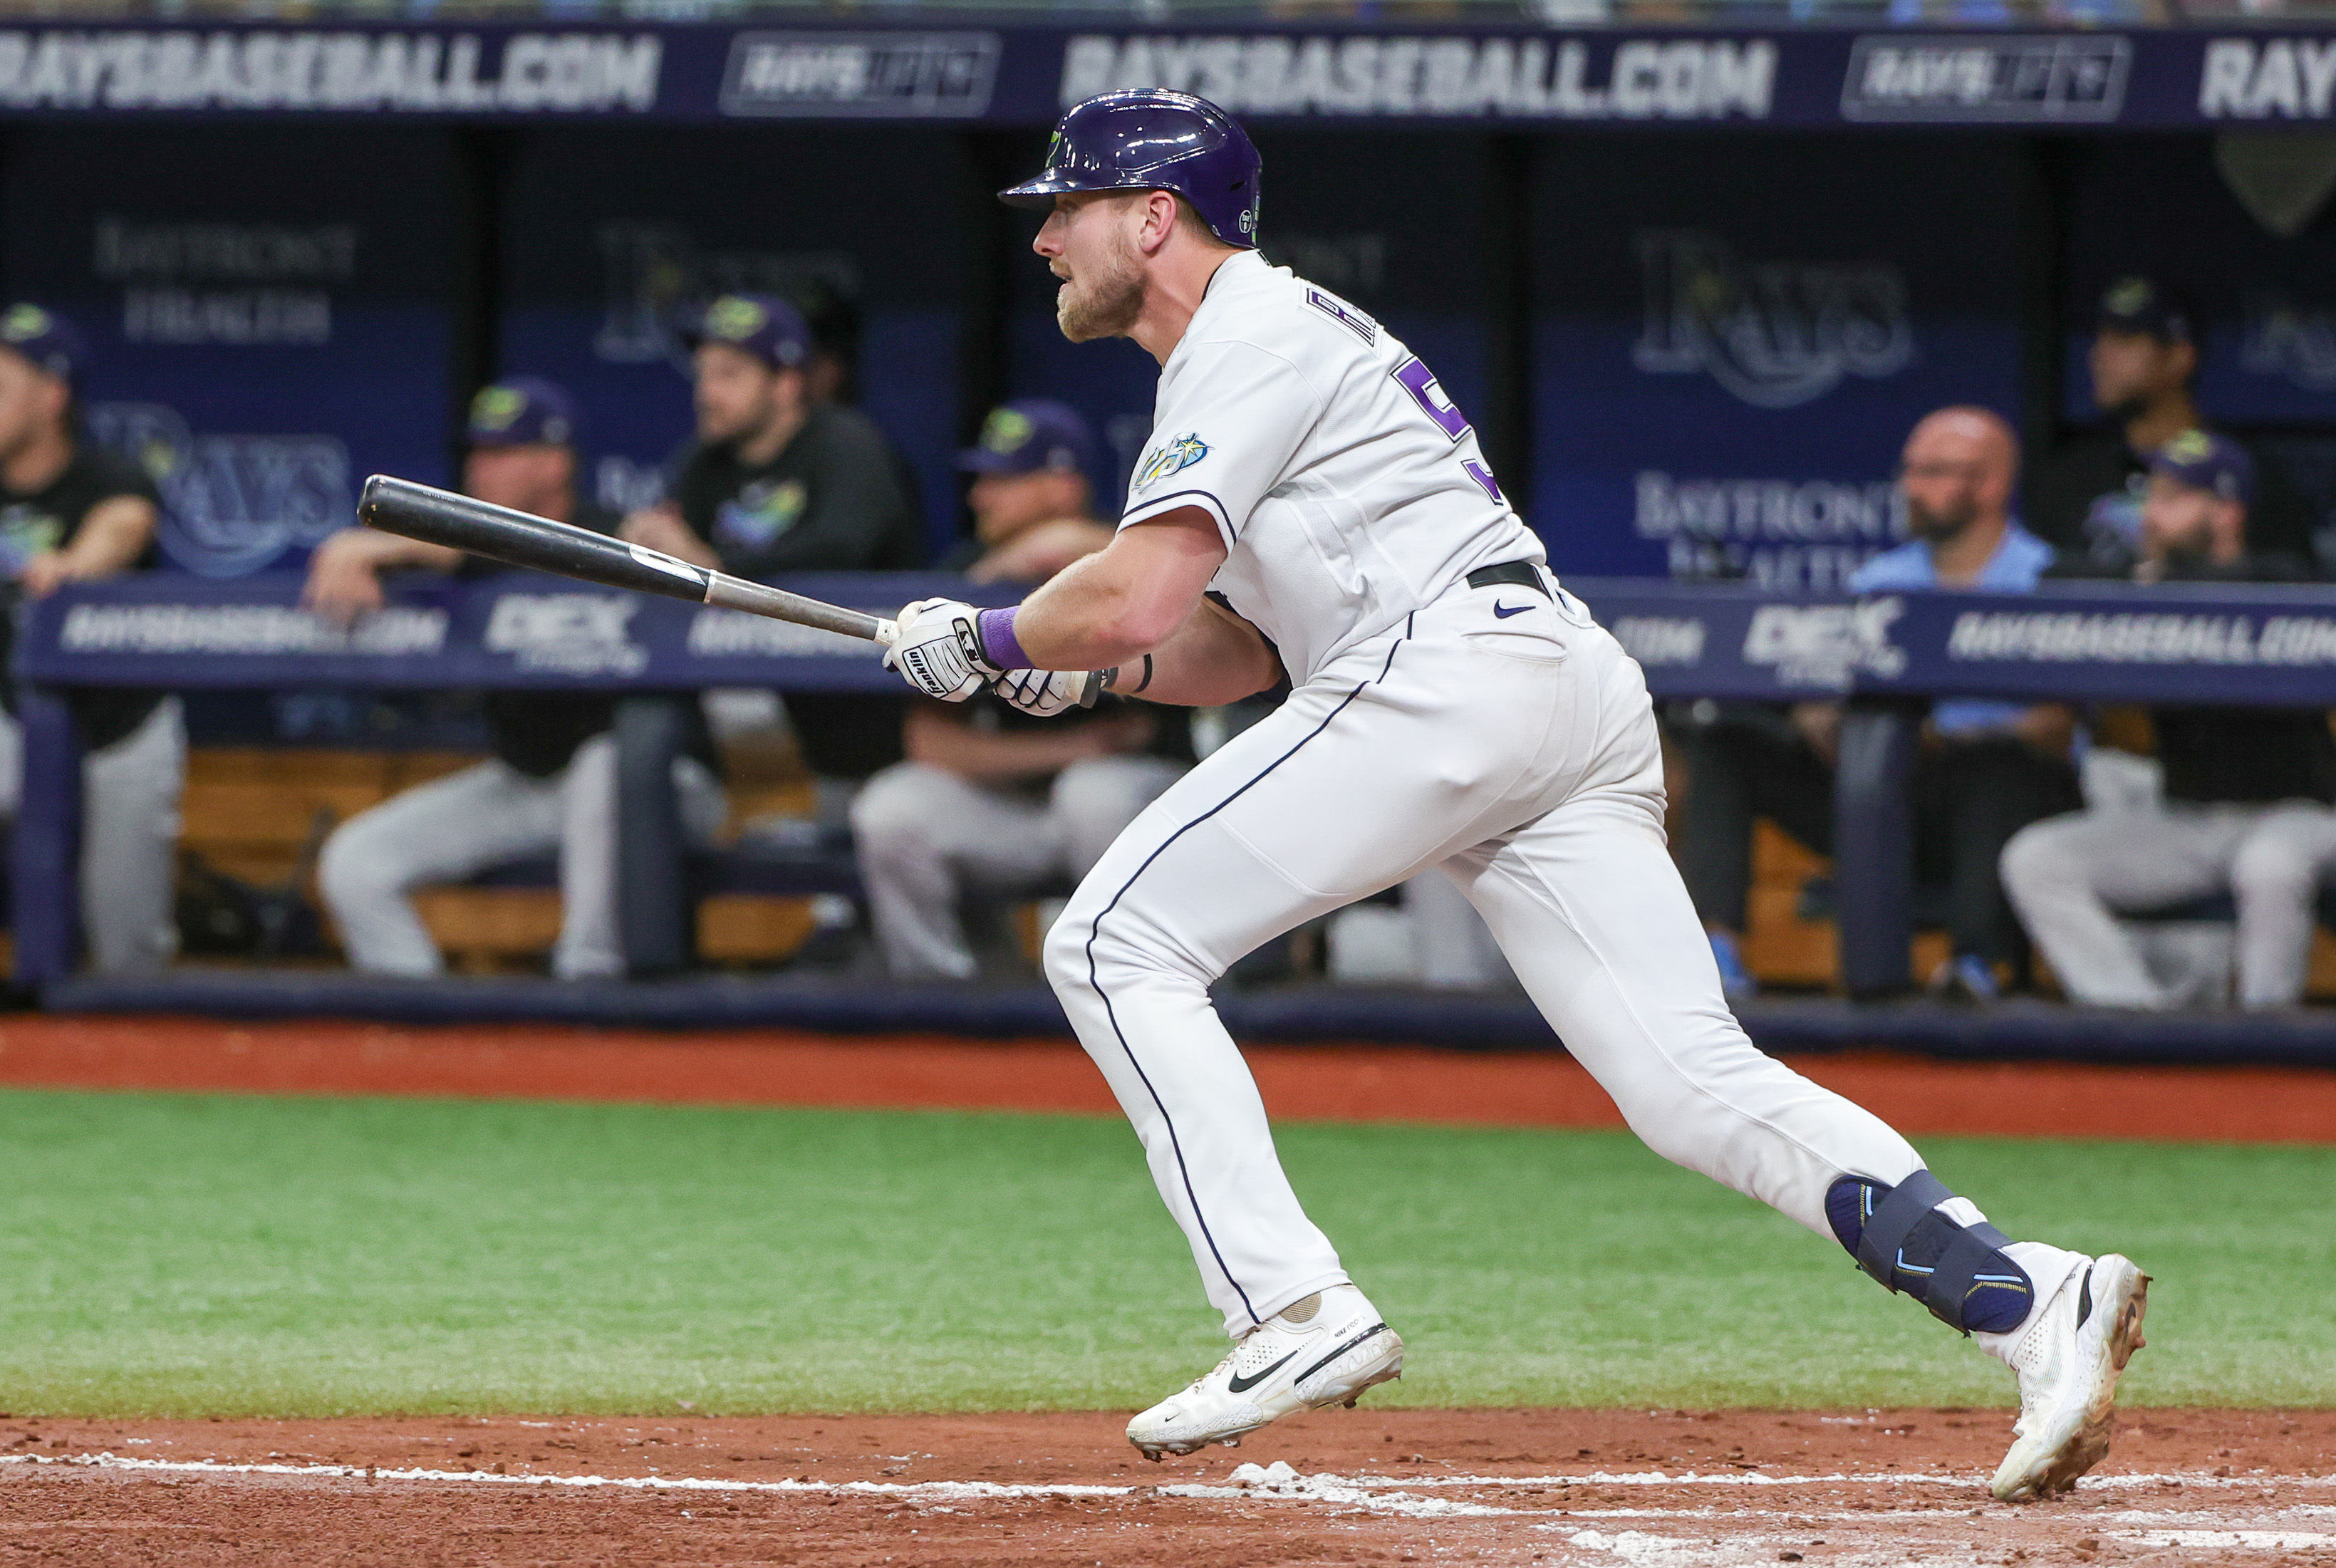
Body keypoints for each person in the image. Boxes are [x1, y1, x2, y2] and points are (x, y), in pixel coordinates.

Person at [882, 90, 2147, 1503]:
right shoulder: (1257, 347)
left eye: (1070, 208)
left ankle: (1293, 1307)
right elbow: (1221, 639)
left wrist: (991, 635)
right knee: (1691, 1083)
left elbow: (1135, 589)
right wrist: (1087, 673)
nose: (1049, 238)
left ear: (1155, 216)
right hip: (1541, 683)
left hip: (1443, 676)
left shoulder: (1248, 332)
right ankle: (2033, 1298)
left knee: (1112, 941)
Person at [308, 377, 724, 979]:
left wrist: (690, 556)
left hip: (656, 786)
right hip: (530, 783)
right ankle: (429, 1030)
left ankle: (590, 985)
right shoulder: (469, 547)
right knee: (355, 862)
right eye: (477, 452)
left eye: (502, 453)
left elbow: (715, 600)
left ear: (554, 463)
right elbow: (462, 549)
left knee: (600, 769)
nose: (480, 468)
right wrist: (358, 548)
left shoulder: (617, 534)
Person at [1679, 408, 2080, 1002]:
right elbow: (1835, 683)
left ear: (1991, 483)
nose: (1910, 488)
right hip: (1876, 790)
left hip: (1982, 807)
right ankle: (1715, 953)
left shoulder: (2045, 576)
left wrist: (1951, 740)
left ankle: (1975, 968)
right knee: (1725, 741)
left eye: (1933, 471)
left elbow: (2059, 727)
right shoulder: (1881, 579)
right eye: (1910, 471)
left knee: (2000, 766)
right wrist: (1816, 713)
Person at [852, 400, 1188, 982]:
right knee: (892, 807)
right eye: (981, 479)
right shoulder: (969, 570)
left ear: (1063, 487)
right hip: (1016, 805)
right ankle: (938, 997)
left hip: (1135, 799)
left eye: (1003, 480)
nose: (981, 496)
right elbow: (932, 746)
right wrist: (1077, 744)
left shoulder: (1136, 558)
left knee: (1091, 794)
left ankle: (1132, 986)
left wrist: (1080, 546)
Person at [2003, 431, 2336, 1009]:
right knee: (2037, 858)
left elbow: (2283, 583)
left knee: (2270, 867)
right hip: (2187, 818)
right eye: (2151, 498)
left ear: (2227, 511)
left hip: (2300, 813)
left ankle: (2264, 1032)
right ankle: (2130, 1014)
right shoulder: (2145, 583)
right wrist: (2146, 586)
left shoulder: (2282, 578)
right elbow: (2053, 580)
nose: (2152, 517)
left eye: (2174, 499)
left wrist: (2161, 588)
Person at [622, 291, 921, 789]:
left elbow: (843, 546)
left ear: (786, 384)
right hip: (764, 699)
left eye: (729, 375)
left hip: (870, 712)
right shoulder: (704, 461)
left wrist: (716, 562)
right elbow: (679, 549)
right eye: (703, 374)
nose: (706, 393)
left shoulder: (846, 444)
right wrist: (650, 541)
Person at [0, 303, 180, 975]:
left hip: (119, 734)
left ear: (51, 396)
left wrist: (71, 567)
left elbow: (123, 527)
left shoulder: (109, 477)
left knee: (128, 952)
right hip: (13, 728)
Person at [2024, 276, 2315, 573]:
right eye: (2100, 338)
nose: (2099, 354)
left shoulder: (2246, 475)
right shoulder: (2070, 477)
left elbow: (2293, 595)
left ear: (2179, 357)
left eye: (2124, 339)